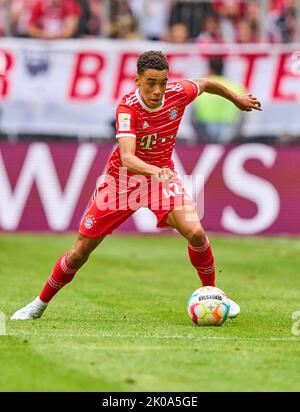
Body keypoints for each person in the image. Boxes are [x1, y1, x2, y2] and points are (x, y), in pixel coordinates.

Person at [11, 51, 262, 321]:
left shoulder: (179, 92)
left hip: (160, 181)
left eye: (162, 82)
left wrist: (236, 98)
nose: (157, 90)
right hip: (121, 185)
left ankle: (212, 293)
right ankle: (38, 305)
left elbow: (207, 84)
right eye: (151, 83)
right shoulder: (127, 109)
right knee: (79, 253)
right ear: (137, 80)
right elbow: (128, 158)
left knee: (196, 232)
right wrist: (156, 170)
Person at [192, 57, 247, 143]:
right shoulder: (237, 87)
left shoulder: (201, 86)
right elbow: (243, 113)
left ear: (210, 69)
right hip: (230, 127)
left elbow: (193, 112)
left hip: (204, 127)